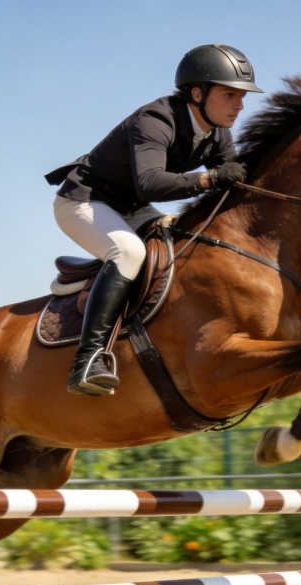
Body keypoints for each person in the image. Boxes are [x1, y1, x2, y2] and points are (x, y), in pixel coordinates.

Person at [46, 44, 263, 396]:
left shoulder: (217, 131)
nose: (239, 105)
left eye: (242, 96)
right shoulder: (156, 119)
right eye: (230, 95)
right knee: (128, 253)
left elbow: (232, 182)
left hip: (133, 207)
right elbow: (151, 183)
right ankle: (87, 360)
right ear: (198, 93)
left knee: (188, 241)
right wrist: (210, 179)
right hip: (85, 201)